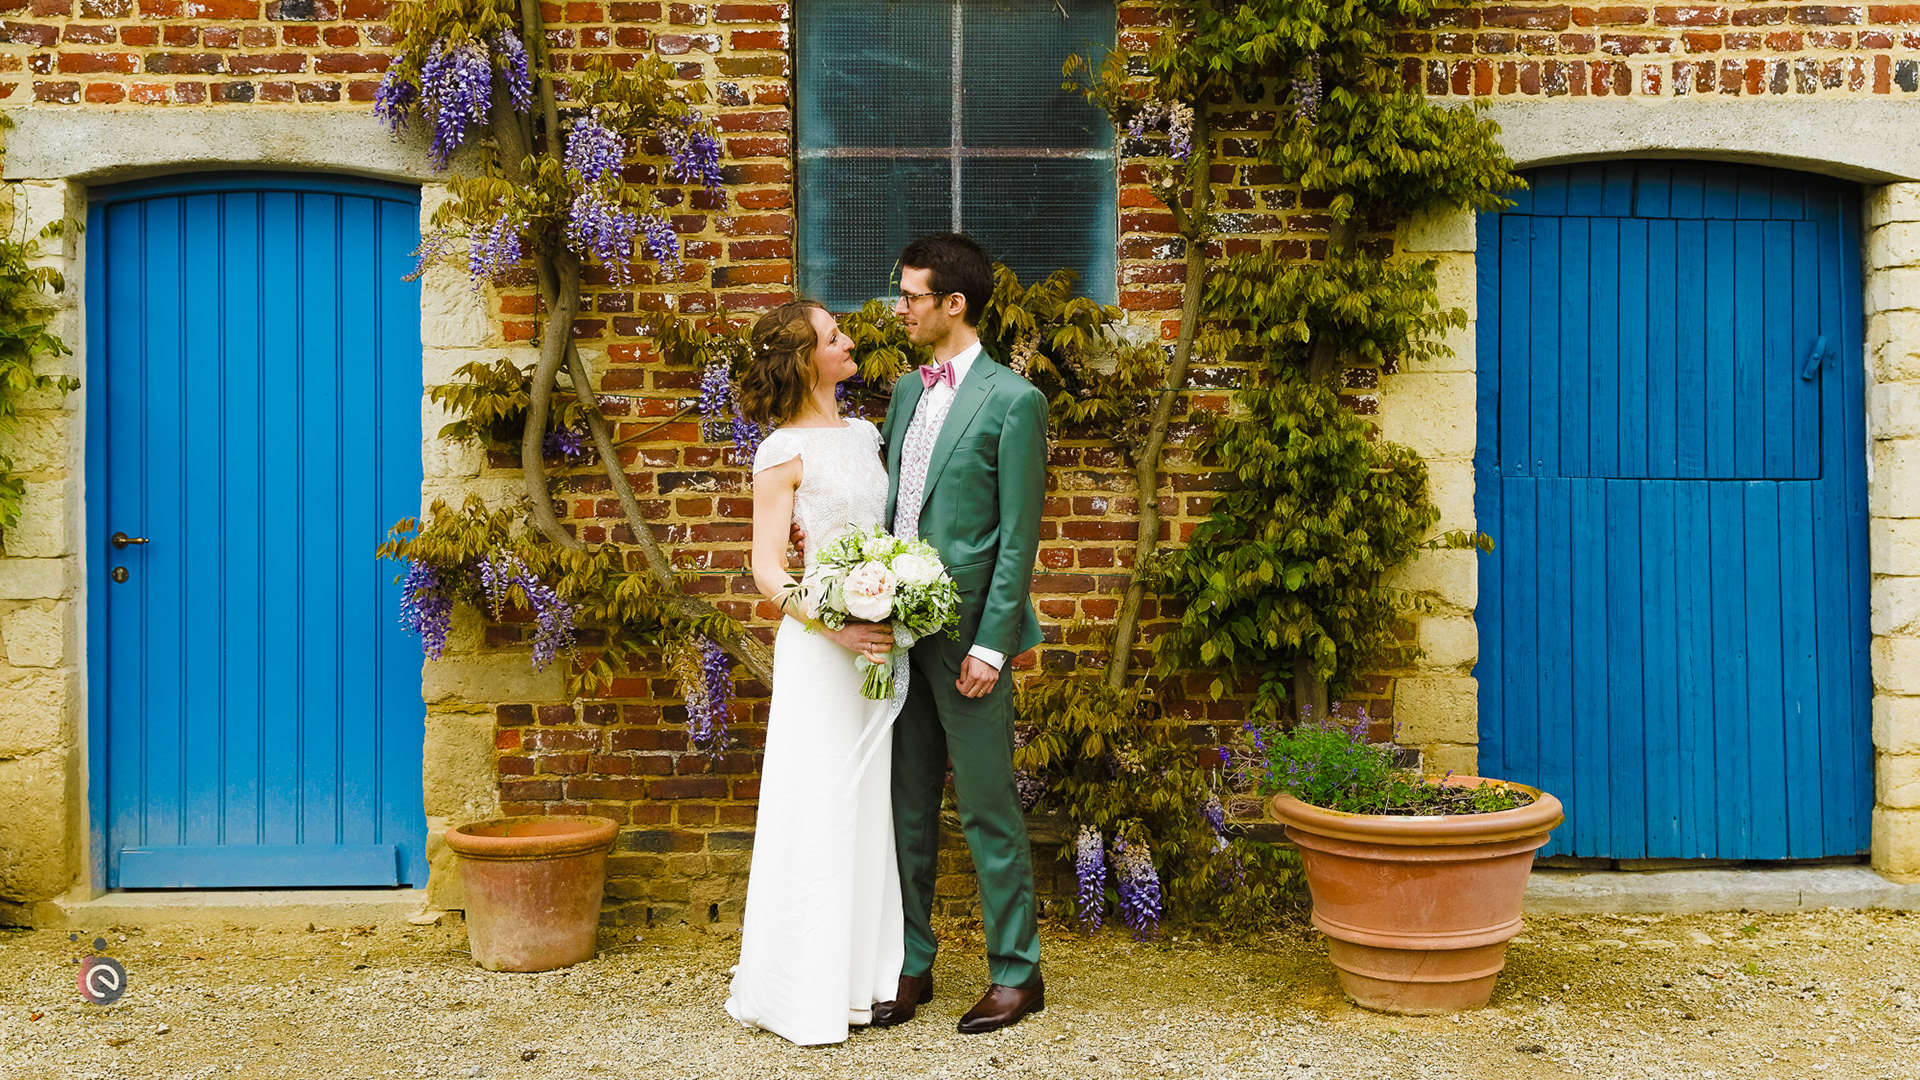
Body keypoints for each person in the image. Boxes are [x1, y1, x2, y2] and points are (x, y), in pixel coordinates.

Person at [871, 233, 1049, 1035]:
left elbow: (1019, 536)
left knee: (985, 808)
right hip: (899, 632)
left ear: (954, 305)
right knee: (906, 807)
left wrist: (992, 643)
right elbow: (896, 508)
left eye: (911, 296)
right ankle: (913, 961)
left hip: (970, 635)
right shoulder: (906, 392)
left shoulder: (1015, 400)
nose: (898, 308)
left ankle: (1018, 972)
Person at [724, 300, 903, 1046]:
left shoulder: (865, 435)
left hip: (877, 640)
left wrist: (897, 596)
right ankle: (803, 988)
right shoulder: (780, 452)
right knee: (819, 800)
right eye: (835, 337)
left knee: (868, 803)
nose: (851, 340)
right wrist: (838, 626)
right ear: (806, 360)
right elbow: (766, 570)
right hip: (824, 646)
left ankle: (864, 982)